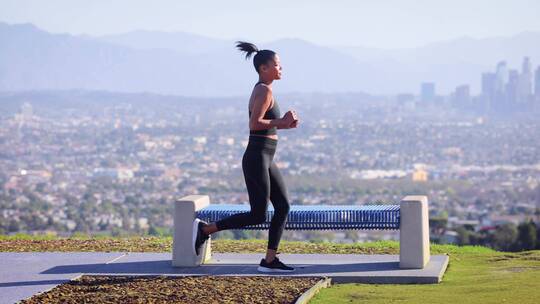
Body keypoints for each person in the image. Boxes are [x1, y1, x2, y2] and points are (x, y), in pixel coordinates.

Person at [193, 41, 299, 272]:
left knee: (282, 207)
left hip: (266, 157)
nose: (281, 69)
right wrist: (281, 121)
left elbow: (266, 125)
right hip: (256, 156)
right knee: (258, 214)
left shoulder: (266, 89)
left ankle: (270, 260)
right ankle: (205, 230)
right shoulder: (263, 90)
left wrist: (285, 125)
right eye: (277, 65)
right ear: (264, 68)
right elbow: (255, 124)